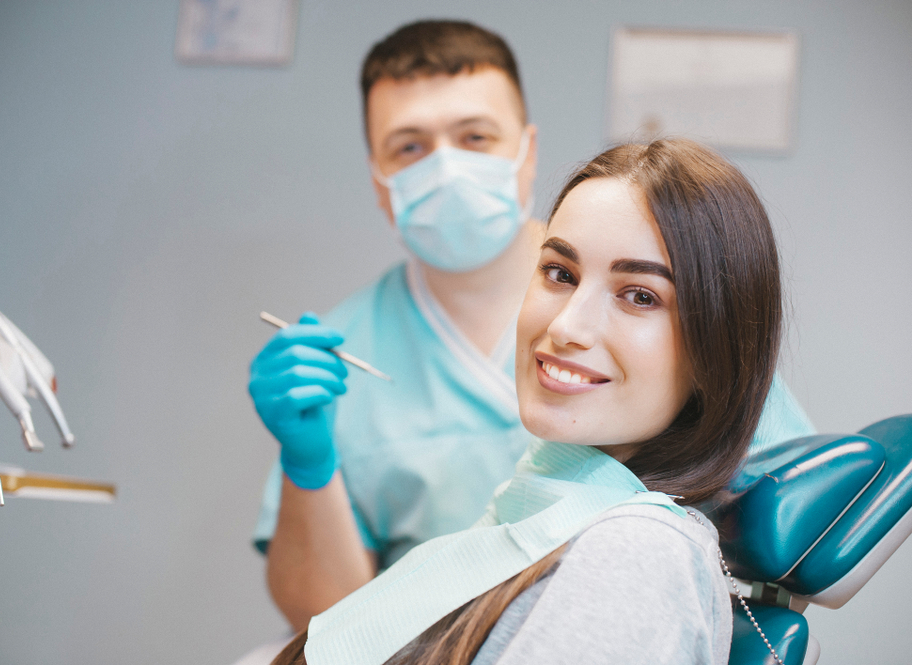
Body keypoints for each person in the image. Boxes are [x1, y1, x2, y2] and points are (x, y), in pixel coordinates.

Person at [247, 20, 814, 632]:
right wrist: (308, 463)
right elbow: (332, 623)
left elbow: (789, 530)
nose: (569, 329)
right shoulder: (342, 350)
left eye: (475, 136)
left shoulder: (647, 541)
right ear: (378, 177)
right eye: (410, 146)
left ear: (527, 152)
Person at [270, 137, 781, 665]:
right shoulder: (534, 513)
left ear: (715, 354)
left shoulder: (637, 554)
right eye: (560, 274)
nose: (565, 327)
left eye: (640, 296)